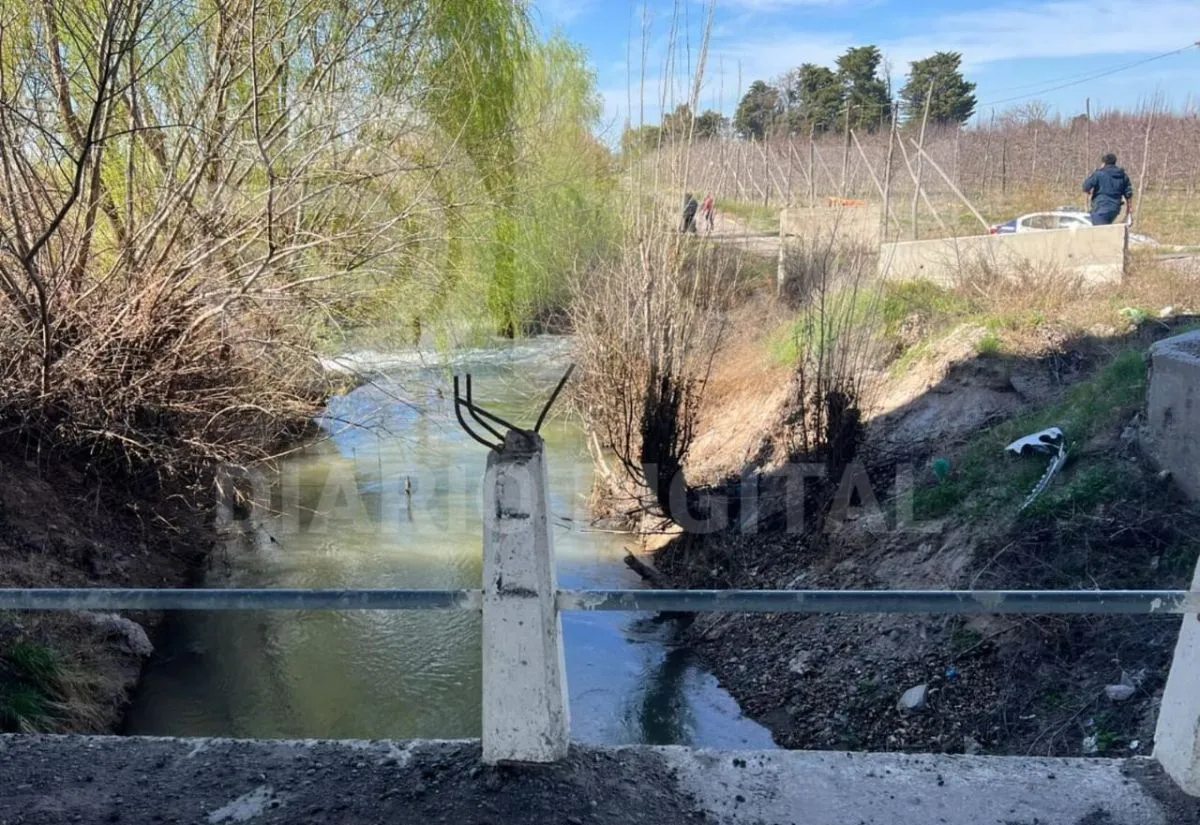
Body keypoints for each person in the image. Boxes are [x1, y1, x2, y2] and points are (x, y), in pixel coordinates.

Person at [1082, 153, 1134, 226]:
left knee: (1099, 232)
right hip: (1115, 209)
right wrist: (1129, 210)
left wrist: (1086, 205)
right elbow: (1128, 194)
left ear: (1103, 163)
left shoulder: (1099, 174)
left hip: (1100, 208)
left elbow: (1086, 186)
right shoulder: (1122, 175)